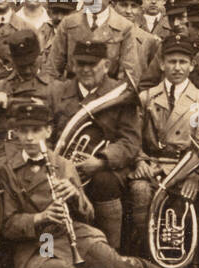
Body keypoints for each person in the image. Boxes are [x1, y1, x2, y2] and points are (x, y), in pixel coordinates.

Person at [0, 97, 199, 268]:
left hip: (74, 234)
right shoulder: (8, 171)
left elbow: (88, 215)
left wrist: (75, 197)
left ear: (48, 132)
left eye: (36, 130)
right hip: (42, 240)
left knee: (116, 265)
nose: (30, 138)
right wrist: (40, 217)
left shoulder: (63, 165)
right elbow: (7, 225)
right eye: (25, 131)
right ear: (17, 133)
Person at [46, 38, 141, 247]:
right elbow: (46, 135)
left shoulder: (121, 94)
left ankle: (110, 249)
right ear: (72, 64)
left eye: (93, 64)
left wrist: (101, 160)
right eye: (81, 63)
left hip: (105, 168)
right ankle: (52, 250)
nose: (86, 69)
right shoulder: (57, 92)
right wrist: (56, 164)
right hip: (61, 164)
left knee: (103, 181)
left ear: (106, 66)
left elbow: (130, 141)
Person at [129, 35, 199, 256]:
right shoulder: (146, 97)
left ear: (192, 65)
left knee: (192, 197)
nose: (177, 68)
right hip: (153, 166)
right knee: (139, 190)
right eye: (171, 61)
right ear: (161, 63)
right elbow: (132, 137)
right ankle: (147, 253)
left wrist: (196, 175)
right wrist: (139, 160)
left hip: (184, 168)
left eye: (183, 62)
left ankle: (190, 255)